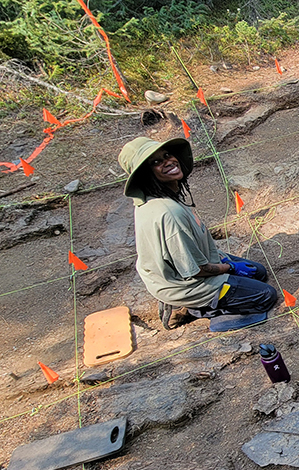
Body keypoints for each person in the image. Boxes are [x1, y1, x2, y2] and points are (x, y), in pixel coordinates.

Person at [119, 136, 278, 331]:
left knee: (259, 272)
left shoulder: (162, 194)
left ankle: (211, 298)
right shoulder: (169, 213)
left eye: (167, 155)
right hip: (185, 284)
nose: (168, 162)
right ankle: (199, 309)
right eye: (156, 162)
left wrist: (224, 261)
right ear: (145, 175)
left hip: (193, 263)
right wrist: (229, 267)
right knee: (265, 296)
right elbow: (196, 270)